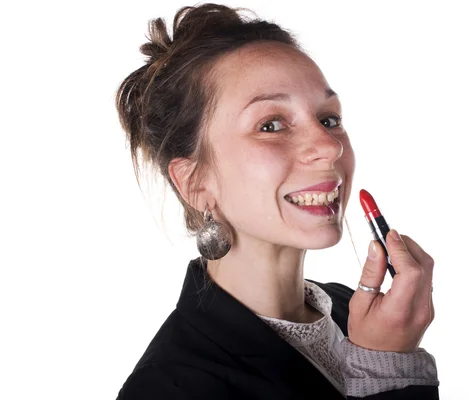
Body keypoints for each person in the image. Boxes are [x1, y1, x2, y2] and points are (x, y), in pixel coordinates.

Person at [115, 3, 439, 399]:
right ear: (195, 181)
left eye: (329, 119)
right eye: (271, 125)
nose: (328, 146)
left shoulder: (351, 310)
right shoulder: (170, 388)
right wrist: (387, 366)